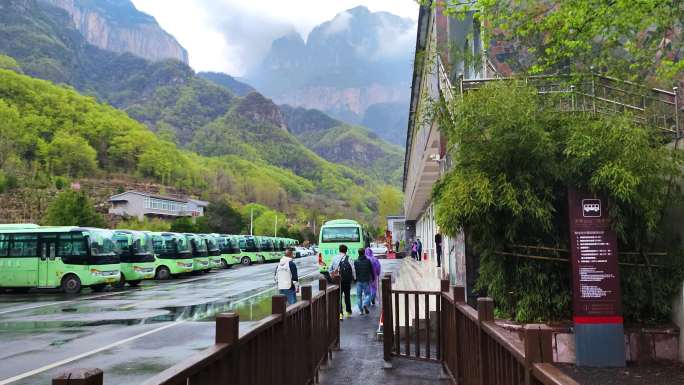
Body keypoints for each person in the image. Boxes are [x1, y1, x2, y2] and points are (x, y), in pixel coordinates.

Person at [329, 244, 355, 319]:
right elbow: (353, 269)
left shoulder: (334, 258)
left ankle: (340, 313)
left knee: (339, 296)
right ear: (346, 251)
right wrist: (354, 277)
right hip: (347, 280)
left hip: (338, 280)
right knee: (347, 296)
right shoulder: (349, 258)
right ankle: (348, 312)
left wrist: (333, 275)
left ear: (339, 250)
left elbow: (330, 269)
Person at [354, 248, 373, 315]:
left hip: (358, 281)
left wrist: (354, 279)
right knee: (368, 294)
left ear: (358, 253)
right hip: (366, 280)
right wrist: (372, 278)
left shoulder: (356, 261)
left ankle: (361, 311)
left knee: (359, 297)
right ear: (364, 253)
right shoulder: (368, 261)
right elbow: (371, 270)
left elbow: (354, 271)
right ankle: (365, 304)